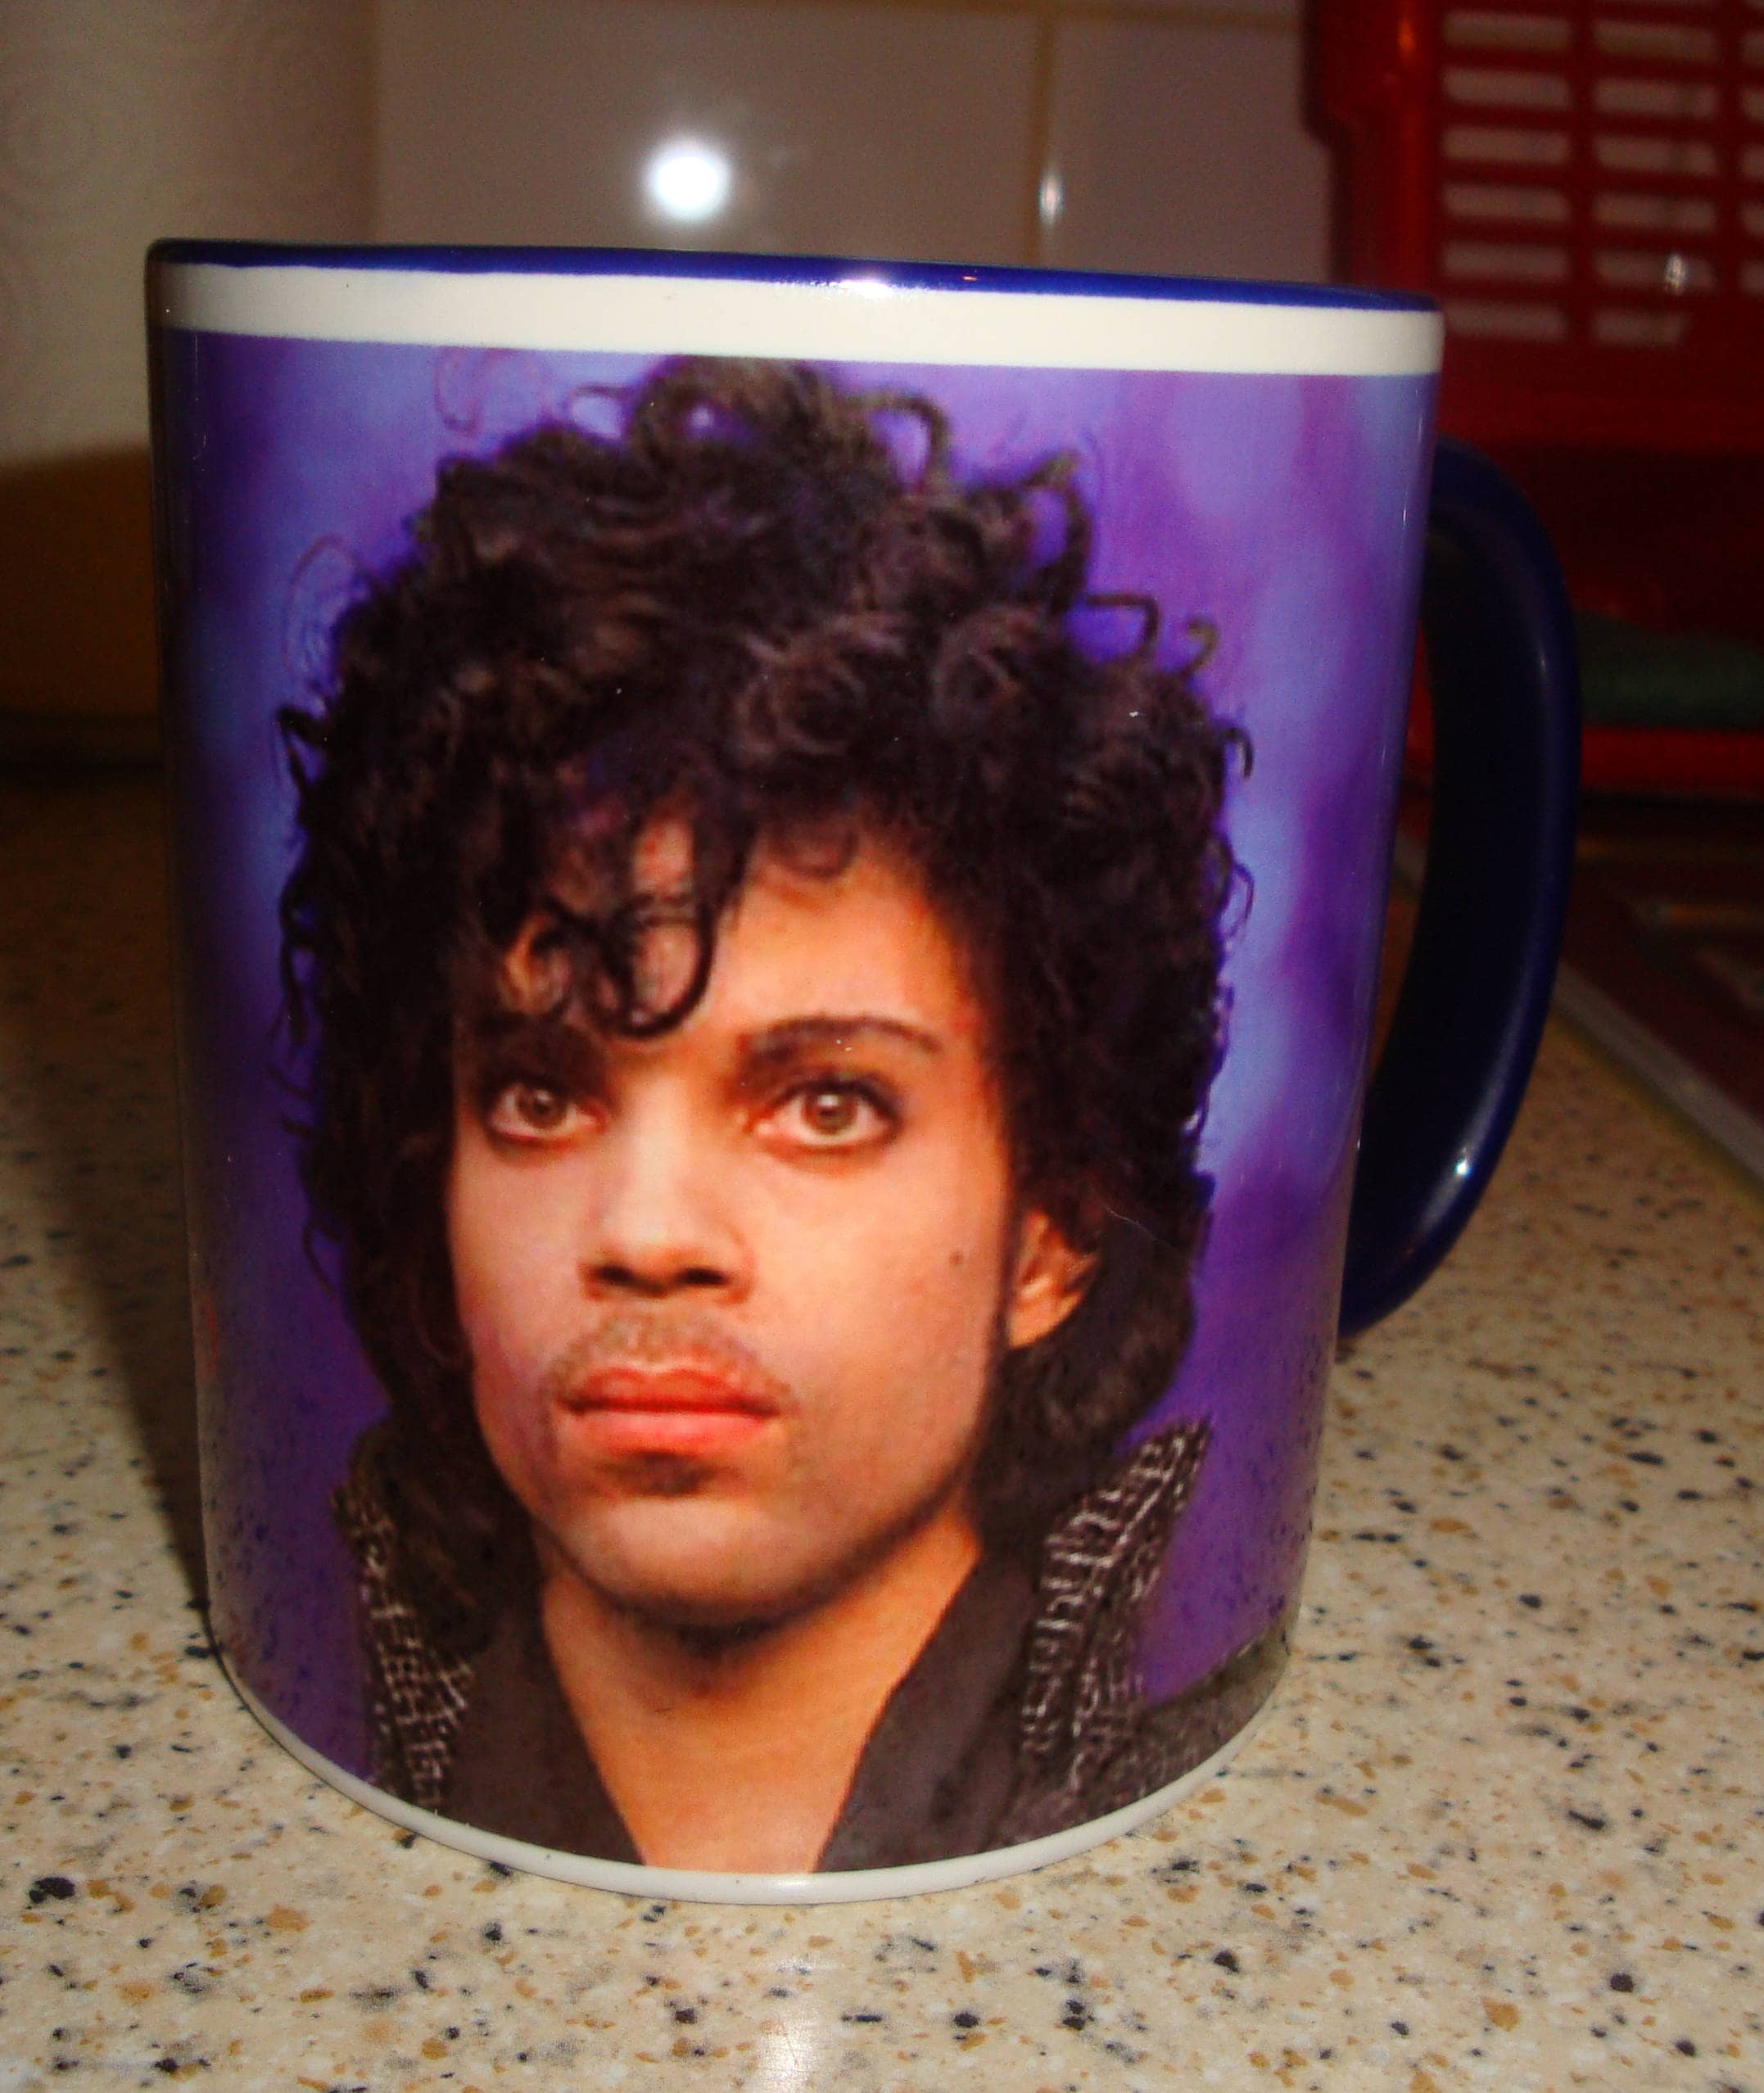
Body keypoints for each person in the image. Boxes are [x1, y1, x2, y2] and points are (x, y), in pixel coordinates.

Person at [276, 357, 1280, 1874]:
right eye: (542, 1097)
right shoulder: (328, 1669)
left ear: (1053, 1230)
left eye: (826, 1105)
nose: (648, 1233)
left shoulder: (1166, 1700)